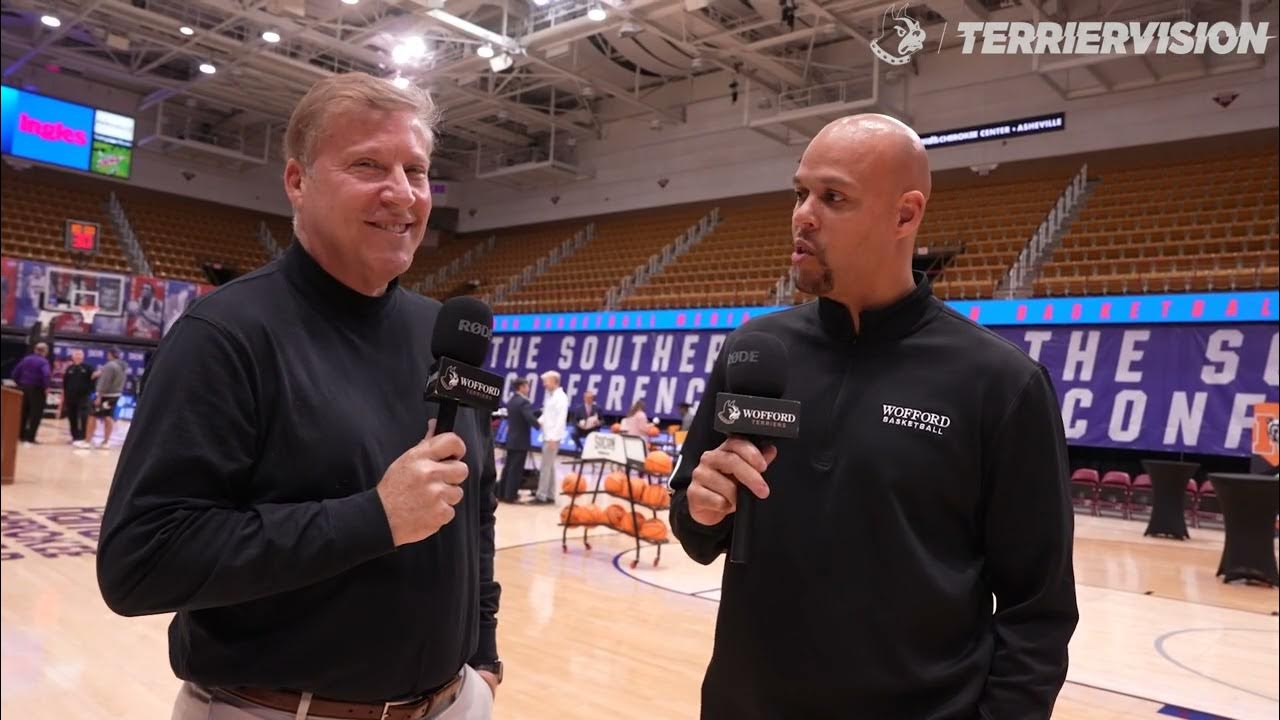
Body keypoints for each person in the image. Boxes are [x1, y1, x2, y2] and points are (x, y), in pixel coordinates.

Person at [96, 72, 502, 720]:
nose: (401, 192)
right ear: (297, 181)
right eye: (368, 164)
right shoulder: (225, 336)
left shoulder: (444, 335)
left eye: (416, 171)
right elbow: (142, 561)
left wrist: (483, 653)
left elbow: (474, 506)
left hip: (453, 703)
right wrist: (374, 517)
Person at [669, 114, 1078, 719]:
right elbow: (696, 526)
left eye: (832, 197)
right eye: (800, 192)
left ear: (905, 216)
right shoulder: (754, 352)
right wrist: (700, 508)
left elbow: (1036, 611)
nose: (803, 214)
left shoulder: (998, 383)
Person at [499, 379, 537, 503]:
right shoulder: (523, 402)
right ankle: (511, 496)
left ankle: (501, 493)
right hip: (520, 441)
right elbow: (529, 418)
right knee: (516, 469)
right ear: (521, 387)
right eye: (527, 386)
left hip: (511, 439)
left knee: (508, 467)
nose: (528, 389)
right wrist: (538, 424)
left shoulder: (512, 401)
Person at [534, 370, 568, 504]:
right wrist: (540, 420)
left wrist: (554, 438)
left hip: (552, 438)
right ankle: (551, 495)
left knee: (545, 467)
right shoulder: (550, 395)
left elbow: (560, 419)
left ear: (554, 381)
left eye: (546, 382)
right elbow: (547, 413)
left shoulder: (561, 397)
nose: (544, 385)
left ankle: (541, 495)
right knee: (550, 466)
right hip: (547, 435)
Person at [85, 348, 127, 449]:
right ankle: (106, 442)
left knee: (92, 415)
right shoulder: (122, 366)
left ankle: (87, 441)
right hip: (116, 394)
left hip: (106, 395)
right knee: (108, 416)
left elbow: (105, 382)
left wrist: (99, 396)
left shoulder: (109, 365)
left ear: (110, 354)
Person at [10, 342, 50, 444]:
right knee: (35, 414)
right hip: (37, 390)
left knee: (23, 412)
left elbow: (15, 373)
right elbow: (46, 375)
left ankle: (20, 436)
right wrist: (46, 387)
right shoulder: (44, 362)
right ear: (45, 351)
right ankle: (30, 438)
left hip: (23, 388)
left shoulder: (26, 359)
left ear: (35, 350)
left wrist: (20, 384)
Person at [61, 348, 95, 448]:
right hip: (70, 398)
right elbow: (65, 384)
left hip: (83, 398)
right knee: (72, 418)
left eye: (79, 355)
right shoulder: (69, 369)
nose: (78, 357)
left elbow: (93, 380)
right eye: (76, 355)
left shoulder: (88, 368)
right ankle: (75, 437)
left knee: (84, 417)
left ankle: (84, 437)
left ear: (83, 357)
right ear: (72, 357)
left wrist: (90, 392)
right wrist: (64, 397)